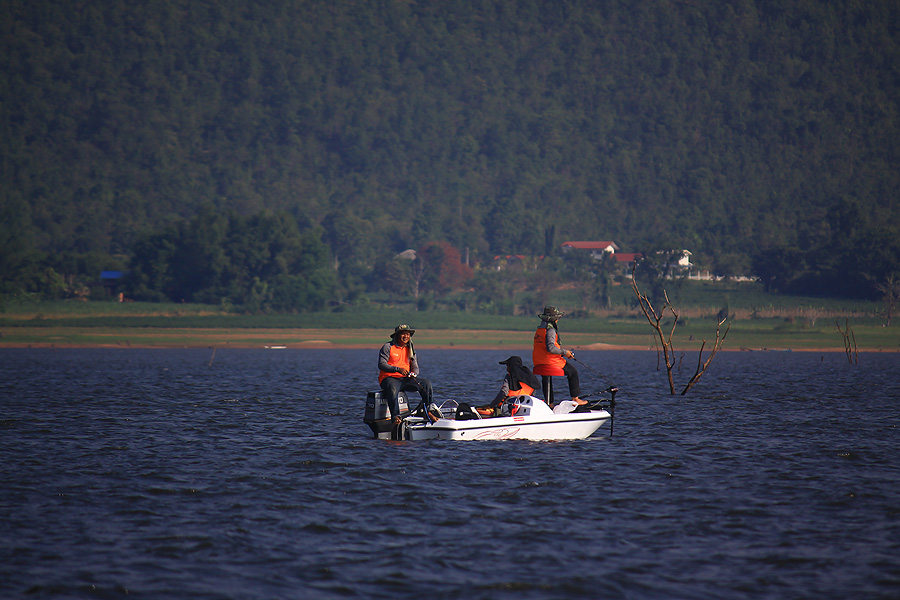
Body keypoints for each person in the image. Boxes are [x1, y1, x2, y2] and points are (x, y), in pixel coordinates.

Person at [378, 324, 434, 424]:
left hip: (405, 379)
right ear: (396, 335)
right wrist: (397, 369)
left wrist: (414, 373)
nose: (406, 336)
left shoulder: (410, 349)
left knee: (426, 384)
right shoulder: (388, 347)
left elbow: (415, 366)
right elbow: (381, 365)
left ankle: (427, 411)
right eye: (403, 334)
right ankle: (395, 416)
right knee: (393, 388)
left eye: (408, 334)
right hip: (389, 378)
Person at [532, 306, 585, 405]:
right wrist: (565, 353)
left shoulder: (539, 329)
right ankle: (575, 398)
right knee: (573, 372)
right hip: (551, 361)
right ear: (554, 319)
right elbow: (551, 348)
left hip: (538, 361)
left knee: (546, 378)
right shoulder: (550, 330)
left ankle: (550, 403)